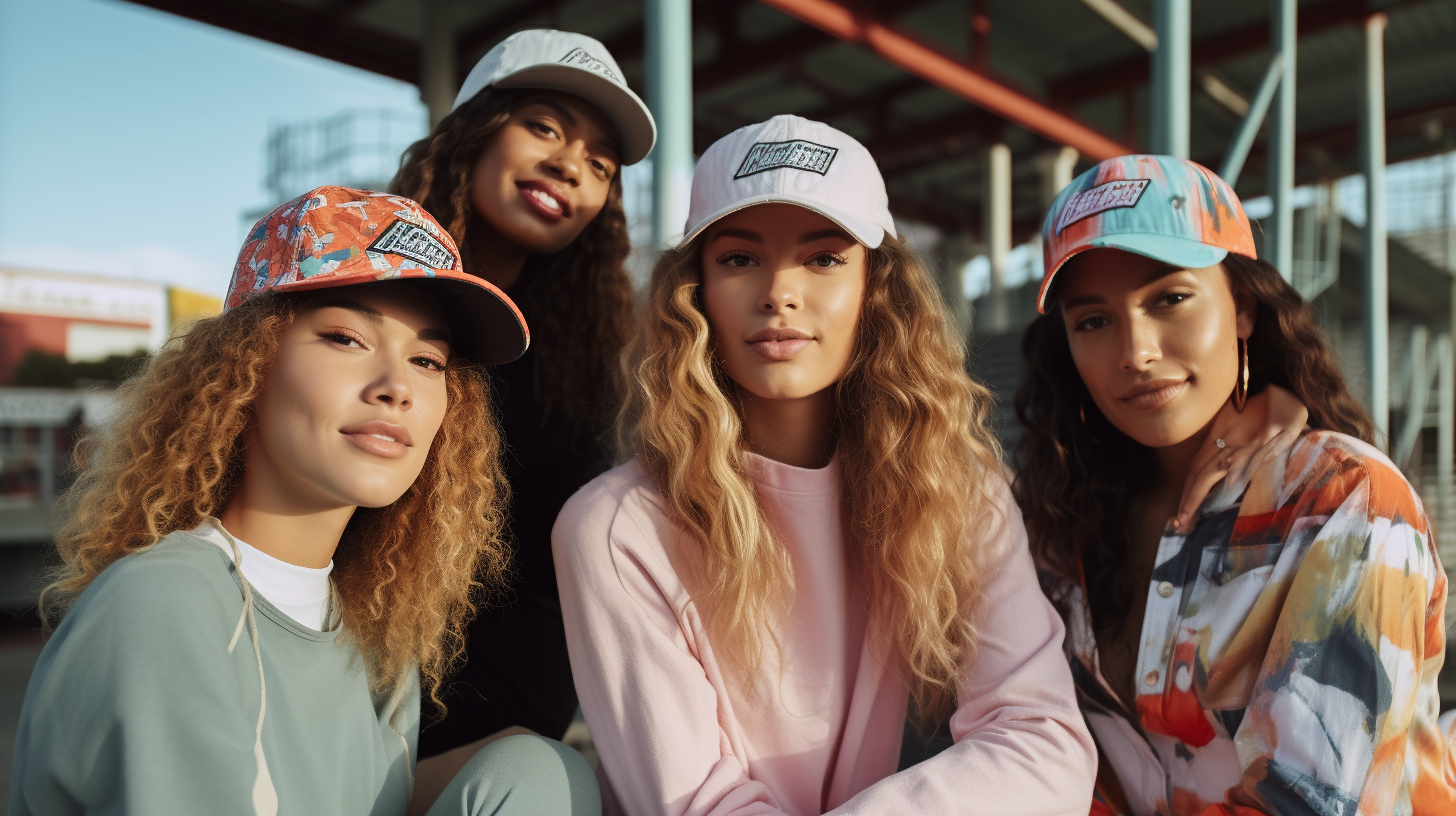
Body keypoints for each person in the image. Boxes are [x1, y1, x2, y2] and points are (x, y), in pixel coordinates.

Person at [553, 114, 1098, 816]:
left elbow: (1043, 739)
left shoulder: (956, 491)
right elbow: (701, 806)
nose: (780, 292)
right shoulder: (613, 530)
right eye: (740, 259)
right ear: (694, 294)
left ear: (876, 289)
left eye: (823, 258)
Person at [10, 187, 600, 816]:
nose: (396, 387)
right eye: (346, 338)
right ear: (247, 363)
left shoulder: (376, 634)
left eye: (428, 360)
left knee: (539, 772)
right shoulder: (165, 604)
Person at [1015, 155, 1456, 815]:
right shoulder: (1054, 530)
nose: (1136, 351)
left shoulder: (1342, 500)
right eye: (1094, 321)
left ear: (1243, 307)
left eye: (1169, 299)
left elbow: (1309, 803)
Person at [389, 28, 656, 756]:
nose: (570, 165)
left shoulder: (598, 357)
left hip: (500, 711)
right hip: (345, 668)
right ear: (474, 130)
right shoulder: (362, 286)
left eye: (599, 164)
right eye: (543, 126)